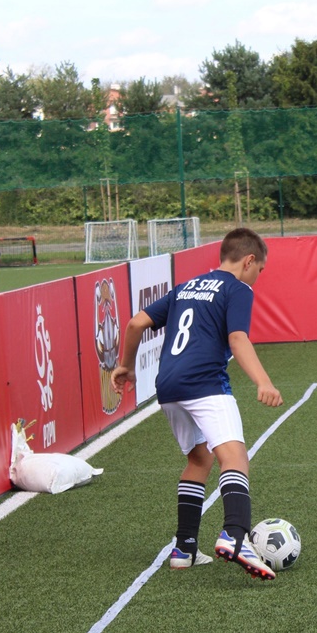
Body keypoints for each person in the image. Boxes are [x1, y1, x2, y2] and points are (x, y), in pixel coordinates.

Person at [112, 227, 283, 580]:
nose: (259, 276)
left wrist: (125, 366)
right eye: (260, 269)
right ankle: (235, 536)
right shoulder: (238, 289)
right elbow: (237, 337)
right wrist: (263, 381)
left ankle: (184, 547)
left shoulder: (186, 286)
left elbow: (135, 323)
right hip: (204, 382)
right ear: (249, 260)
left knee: (199, 457)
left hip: (169, 386)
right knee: (234, 456)